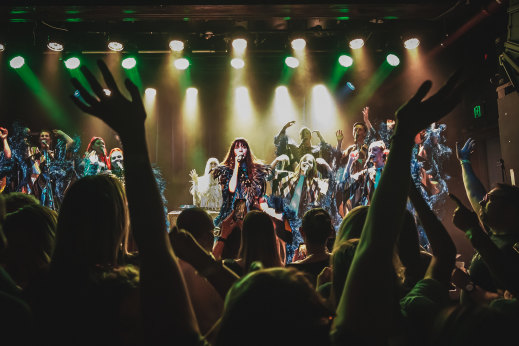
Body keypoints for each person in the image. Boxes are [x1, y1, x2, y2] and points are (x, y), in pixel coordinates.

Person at [212, 138, 271, 228]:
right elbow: (231, 189)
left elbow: (262, 183)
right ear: (233, 151)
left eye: (244, 147)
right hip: (236, 206)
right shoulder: (227, 169)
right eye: (237, 147)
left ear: (247, 150)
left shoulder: (254, 169)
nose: (240, 149)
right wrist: (237, 165)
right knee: (238, 229)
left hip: (251, 207)